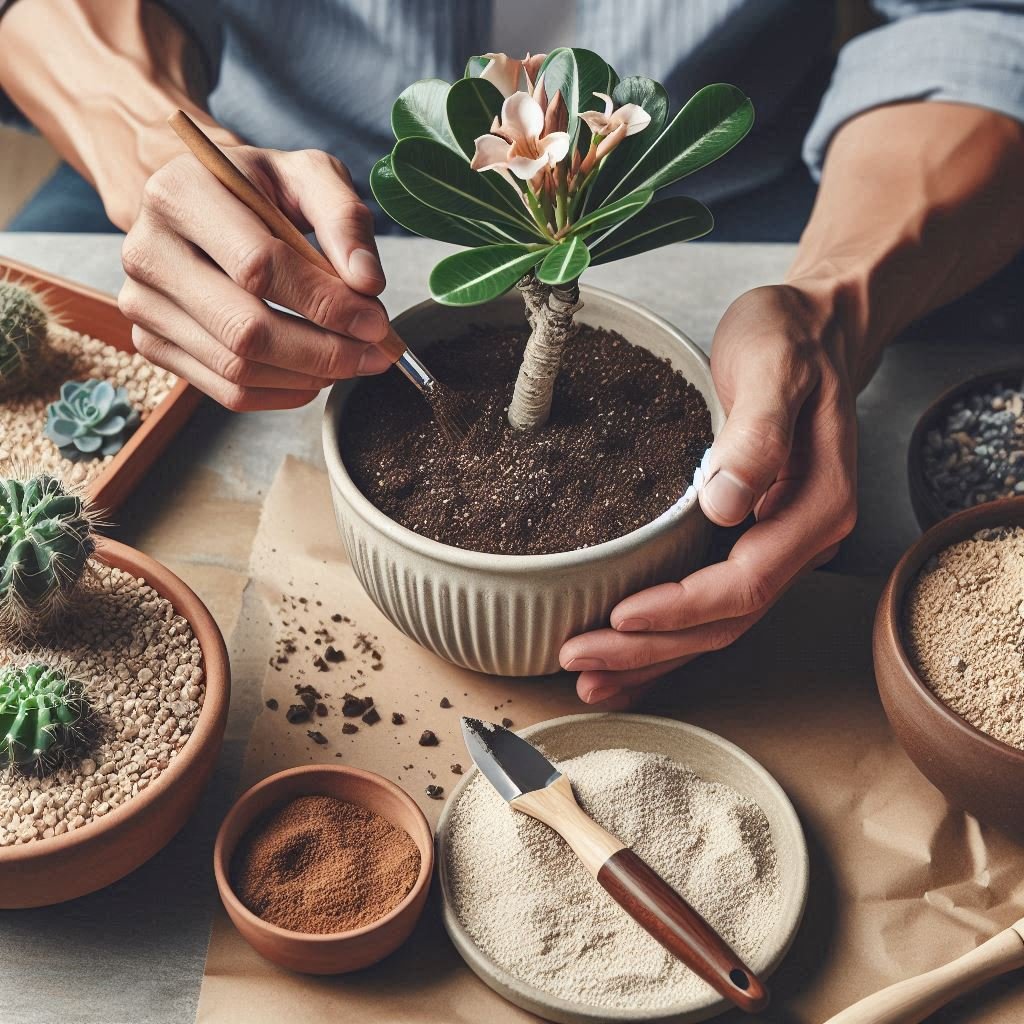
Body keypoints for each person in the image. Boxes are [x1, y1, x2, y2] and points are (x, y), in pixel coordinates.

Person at [2, 1, 1023, 708]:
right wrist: (144, 139)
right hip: (280, 177)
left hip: (712, 202)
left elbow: (978, 26)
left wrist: (833, 306)